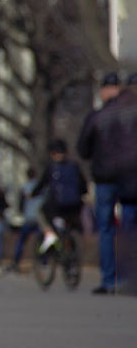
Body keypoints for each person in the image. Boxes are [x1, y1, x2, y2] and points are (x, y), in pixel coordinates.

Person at [76, 73, 137, 294]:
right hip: (131, 178)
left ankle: (109, 280)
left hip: (104, 178)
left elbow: (83, 149)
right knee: (130, 226)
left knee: (106, 229)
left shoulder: (99, 115)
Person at [33, 139, 87, 254]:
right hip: (75, 205)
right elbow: (83, 186)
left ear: (52, 153)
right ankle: (72, 247)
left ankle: (49, 234)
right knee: (71, 225)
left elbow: (41, 184)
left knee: (40, 212)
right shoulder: (74, 166)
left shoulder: (52, 167)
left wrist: (33, 193)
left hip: (57, 205)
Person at [7, 167, 43, 273]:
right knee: (42, 240)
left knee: (21, 241)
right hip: (40, 217)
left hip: (28, 218)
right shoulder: (40, 186)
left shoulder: (24, 187)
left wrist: (21, 213)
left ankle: (16, 261)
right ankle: (44, 261)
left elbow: (21, 204)